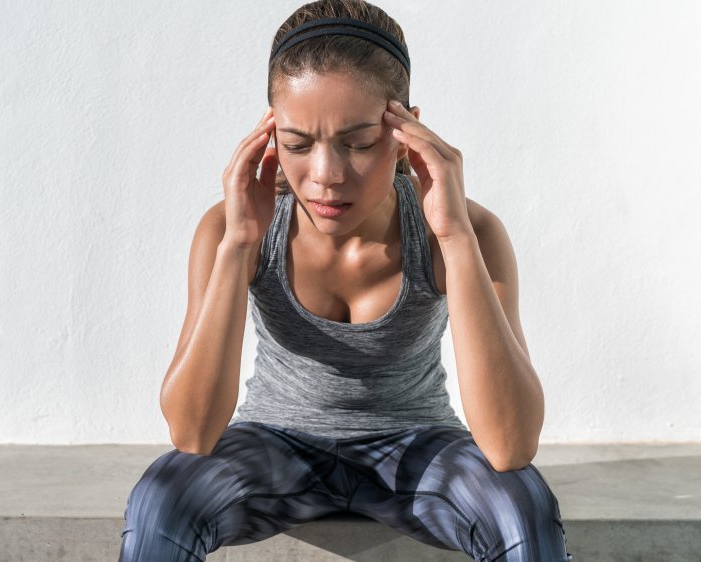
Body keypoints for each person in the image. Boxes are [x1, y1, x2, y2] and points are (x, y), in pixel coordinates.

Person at [119, 1, 573, 560]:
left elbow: (509, 445)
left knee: (519, 501)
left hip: (419, 449)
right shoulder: (230, 229)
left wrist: (455, 236)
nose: (327, 176)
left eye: (359, 143)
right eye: (299, 144)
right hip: (273, 445)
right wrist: (239, 245)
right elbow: (191, 434)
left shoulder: (468, 230)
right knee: (159, 498)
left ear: (407, 131)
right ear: (269, 137)